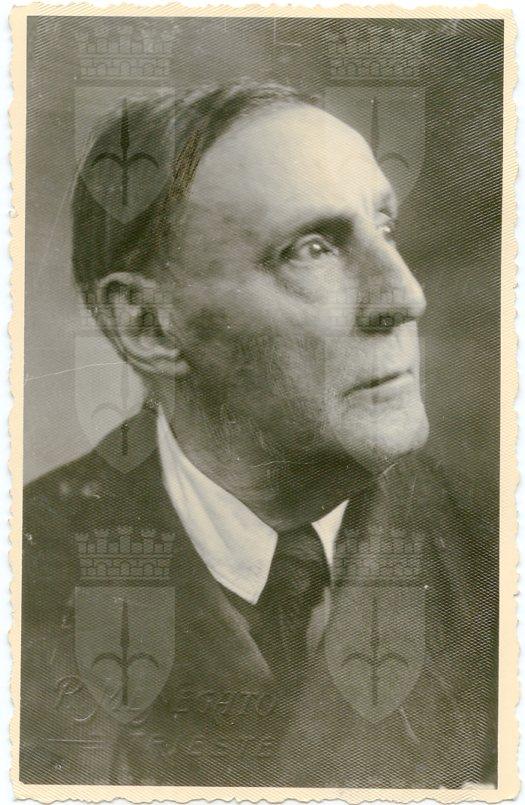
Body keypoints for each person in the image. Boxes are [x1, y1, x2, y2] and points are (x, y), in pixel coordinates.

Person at [20, 81, 497, 787]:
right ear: (148, 326)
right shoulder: (26, 570)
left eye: (384, 228)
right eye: (311, 249)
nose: (404, 296)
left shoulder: (495, 555)